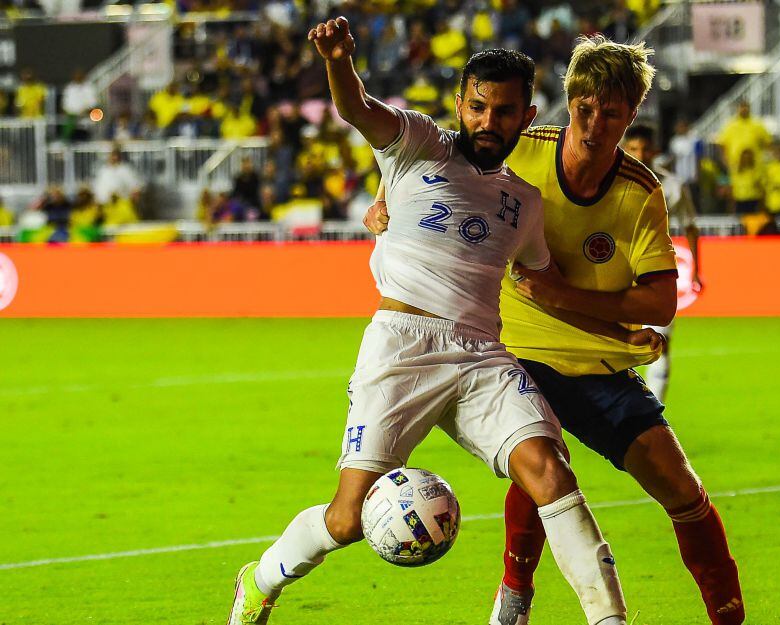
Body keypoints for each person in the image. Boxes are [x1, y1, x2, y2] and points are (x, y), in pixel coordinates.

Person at [228, 18, 645, 625]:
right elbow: (357, 108)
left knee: (550, 470)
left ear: (526, 117)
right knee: (346, 520)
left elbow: (547, 291)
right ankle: (259, 580)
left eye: (503, 112)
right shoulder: (417, 143)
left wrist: (618, 334)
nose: (487, 122)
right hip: (402, 346)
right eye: (477, 107)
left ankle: (609, 619)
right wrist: (340, 62)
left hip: (480, 353)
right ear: (459, 104)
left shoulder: (524, 203)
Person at [367, 35, 744, 625]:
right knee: (540, 464)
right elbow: (431, 152)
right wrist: (382, 194)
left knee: (683, 492)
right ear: (567, 105)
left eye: (611, 113)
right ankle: (514, 601)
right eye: (584, 109)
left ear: (632, 114)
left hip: (596, 363)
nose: (594, 125)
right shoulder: (521, 148)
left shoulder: (639, 193)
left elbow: (662, 301)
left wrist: (576, 303)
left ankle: (729, 617)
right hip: (513, 353)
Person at [621, 123, 701, 403]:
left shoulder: (672, 186)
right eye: (633, 149)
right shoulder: (611, 179)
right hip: (618, 274)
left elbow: (690, 226)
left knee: (660, 345)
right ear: (625, 148)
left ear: (655, 151)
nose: (640, 154)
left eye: (644, 149)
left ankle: (653, 414)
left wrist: (698, 271)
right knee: (618, 345)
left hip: (657, 273)